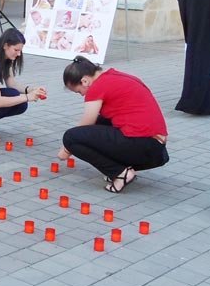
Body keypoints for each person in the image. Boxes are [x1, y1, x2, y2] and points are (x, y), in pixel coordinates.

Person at [59, 57, 169, 193]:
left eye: (78, 91)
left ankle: (121, 173)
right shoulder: (115, 76)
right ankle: (122, 168)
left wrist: (66, 148)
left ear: (85, 81)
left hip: (143, 146)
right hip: (156, 148)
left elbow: (87, 122)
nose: (81, 95)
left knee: (71, 137)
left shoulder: (98, 87)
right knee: (100, 123)